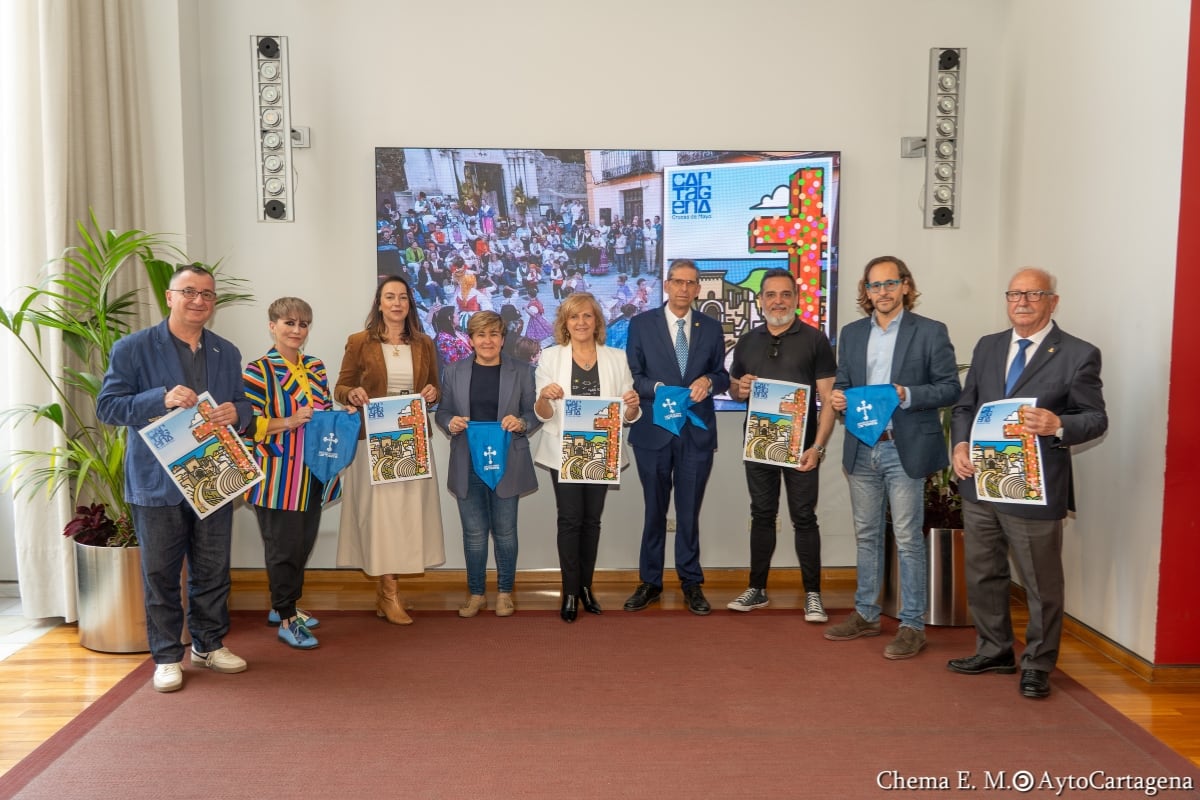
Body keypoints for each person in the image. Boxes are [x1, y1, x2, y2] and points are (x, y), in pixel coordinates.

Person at [948, 268, 1107, 699]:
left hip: (1034, 489)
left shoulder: (1078, 353)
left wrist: (1058, 424)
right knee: (983, 573)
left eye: (1033, 294)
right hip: (982, 480)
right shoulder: (988, 346)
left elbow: (1095, 418)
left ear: (1052, 301)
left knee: (1041, 583)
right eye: (1014, 294)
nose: (1022, 301)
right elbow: (966, 406)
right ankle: (995, 649)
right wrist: (959, 446)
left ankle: (1038, 663)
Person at [97, 264, 251, 693]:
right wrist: (158, 399)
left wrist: (239, 413)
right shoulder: (134, 348)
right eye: (189, 292)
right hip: (156, 480)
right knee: (161, 574)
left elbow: (242, 404)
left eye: (207, 294)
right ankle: (166, 656)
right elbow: (108, 407)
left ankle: (209, 644)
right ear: (170, 296)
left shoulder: (227, 351)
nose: (199, 300)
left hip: (214, 473)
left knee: (212, 570)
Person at [824, 257, 961, 657]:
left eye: (889, 284)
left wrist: (908, 394)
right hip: (862, 447)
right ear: (865, 292)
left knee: (906, 537)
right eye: (874, 285)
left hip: (906, 448)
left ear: (905, 286)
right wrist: (838, 397)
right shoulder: (850, 334)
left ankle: (912, 625)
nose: (881, 292)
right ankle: (866, 615)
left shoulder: (930, 332)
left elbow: (950, 388)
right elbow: (846, 385)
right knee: (866, 535)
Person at [726, 269, 837, 622]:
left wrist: (817, 448)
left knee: (804, 518)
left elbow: (828, 400)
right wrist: (738, 388)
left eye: (785, 294)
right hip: (759, 444)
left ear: (796, 299)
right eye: (771, 295)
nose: (778, 301)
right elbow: (733, 389)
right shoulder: (746, 341)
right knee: (762, 515)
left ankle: (813, 595)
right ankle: (756, 589)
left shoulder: (816, 340)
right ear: (761, 301)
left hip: (802, 447)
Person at [334, 276, 446, 625]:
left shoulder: (425, 343)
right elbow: (341, 387)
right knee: (381, 518)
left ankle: (389, 592)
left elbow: (436, 389)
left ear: (410, 304)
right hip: (374, 439)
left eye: (402, 297)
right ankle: (388, 592)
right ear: (379, 303)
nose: (396, 303)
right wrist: (350, 395)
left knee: (406, 515)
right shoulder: (358, 342)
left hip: (411, 437)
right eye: (389, 297)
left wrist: (431, 394)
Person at [623, 259, 730, 615]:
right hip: (653, 432)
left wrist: (710, 382)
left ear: (698, 289)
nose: (684, 288)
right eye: (678, 282)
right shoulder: (641, 324)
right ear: (666, 285)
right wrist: (658, 388)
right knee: (654, 511)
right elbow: (633, 376)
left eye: (691, 283)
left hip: (696, 435)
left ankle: (691, 582)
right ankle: (650, 582)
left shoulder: (712, 328)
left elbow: (722, 375)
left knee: (688, 513)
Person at [243, 297, 348, 650]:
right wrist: (288, 421)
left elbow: (323, 413)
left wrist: (341, 414)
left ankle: (283, 605)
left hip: (315, 470)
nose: (296, 330)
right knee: (283, 548)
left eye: (303, 324)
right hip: (277, 475)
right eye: (289, 323)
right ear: (272, 326)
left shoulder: (316, 367)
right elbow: (248, 424)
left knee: (302, 544)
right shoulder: (257, 371)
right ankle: (287, 617)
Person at [532, 293, 640, 622]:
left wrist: (633, 407)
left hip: (601, 449)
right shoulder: (550, 357)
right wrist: (544, 397)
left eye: (587, 316)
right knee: (570, 519)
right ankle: (568, 592)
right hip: (562, 450)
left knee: (592, 521)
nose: (581, 322)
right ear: (565, 323)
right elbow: (542, 414)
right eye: (574, 317)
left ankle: (586, 588)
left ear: (597, 322)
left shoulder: (616, 358)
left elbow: (628, 413)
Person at [435, 311, 540, 618]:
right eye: (481, 335)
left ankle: (505, 593)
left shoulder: (521, 371)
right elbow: (443, 412)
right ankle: (476, 593)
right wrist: (450, 421)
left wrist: (520, 422)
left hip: (507, 459)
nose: (488, 341)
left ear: (503, 339)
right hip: (467, 459)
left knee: (506, 531)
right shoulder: (454, 372)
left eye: (494, 334)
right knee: (474, 533)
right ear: (471, 340)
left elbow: (533, 413)